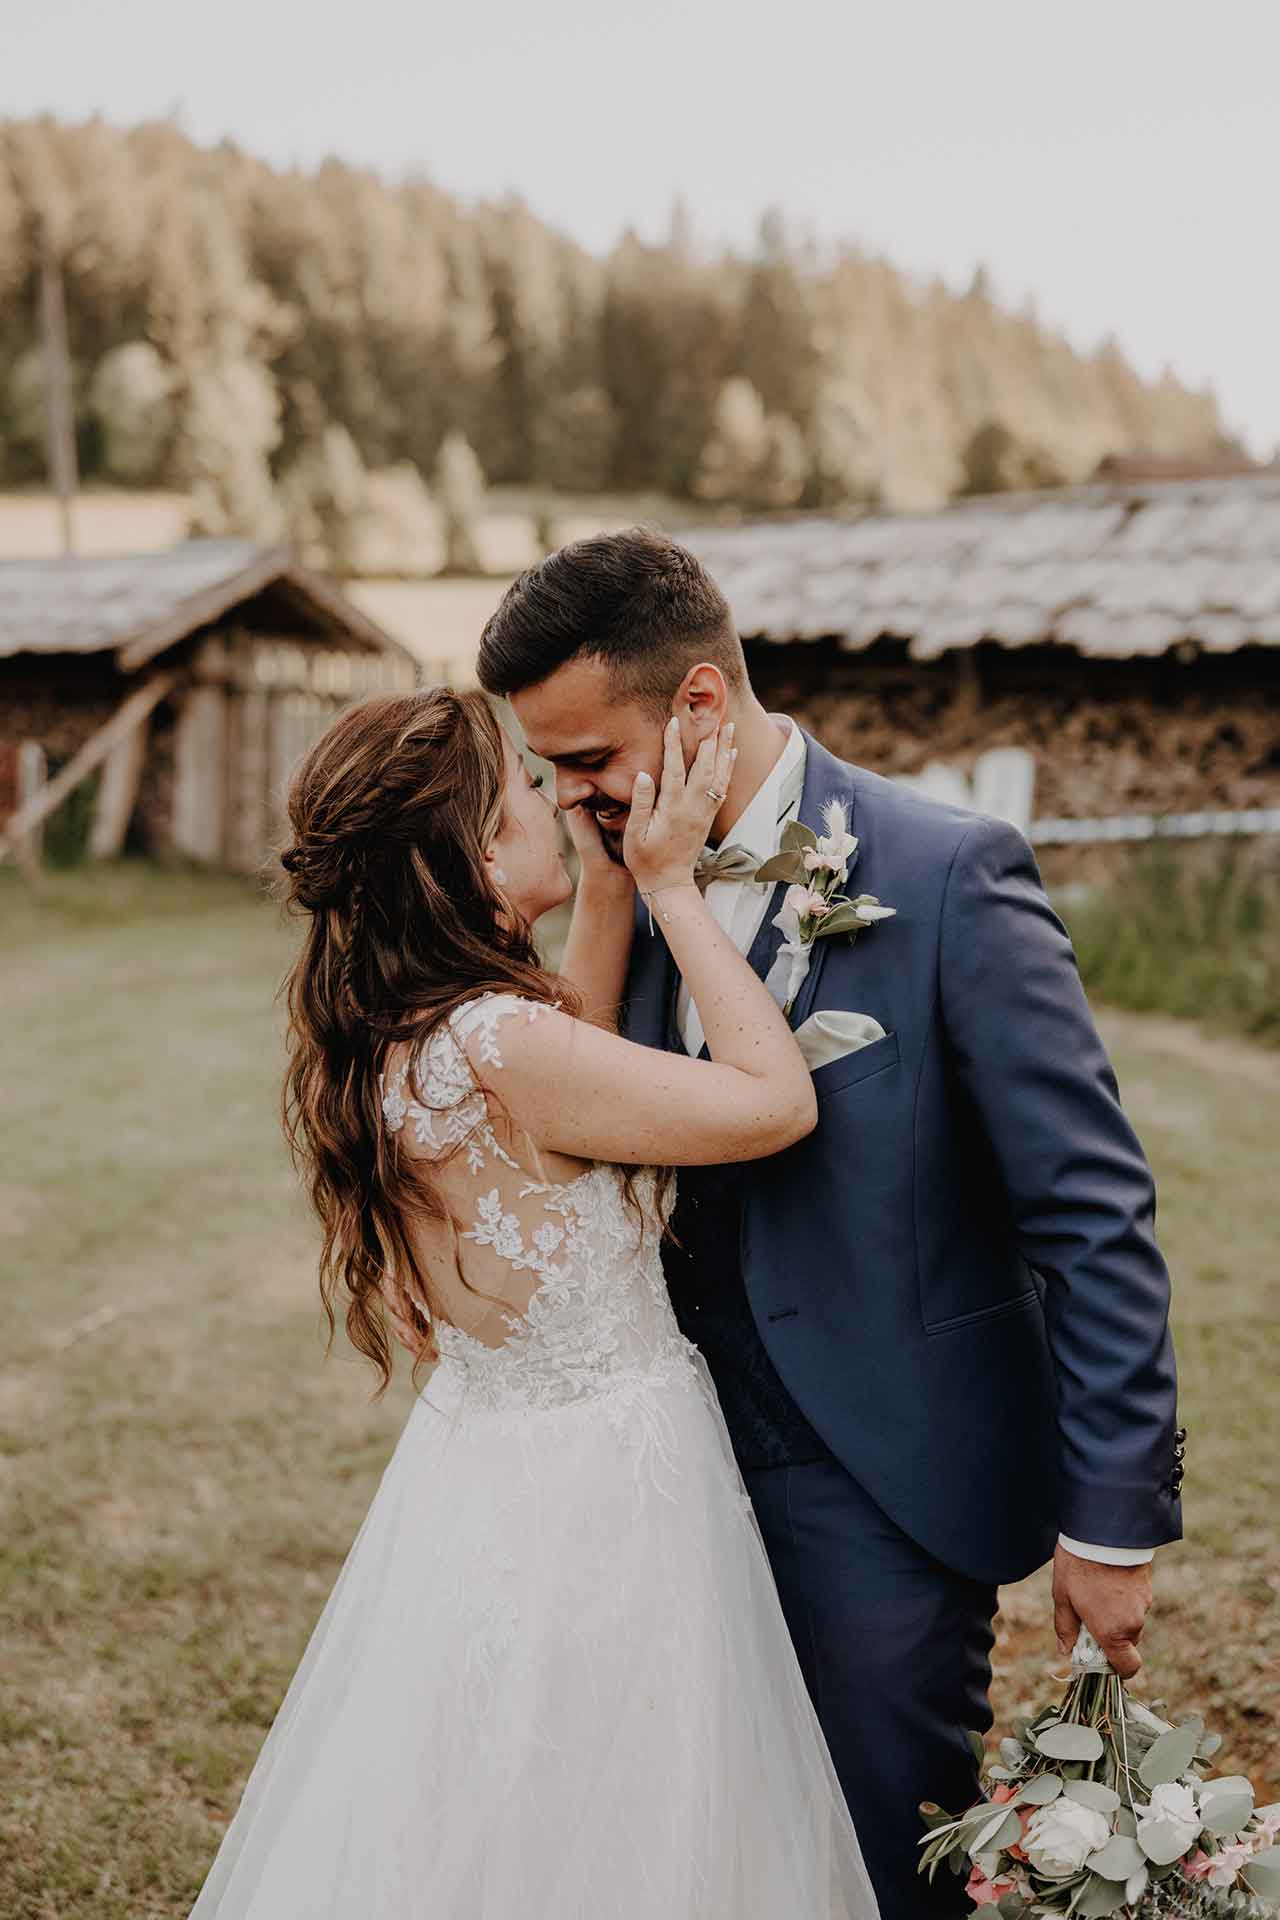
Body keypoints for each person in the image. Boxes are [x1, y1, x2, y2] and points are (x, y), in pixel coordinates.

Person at [476, 527, 1185, 1920]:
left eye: (587, 761)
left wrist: (1114, 1521)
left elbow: (1091, 1212)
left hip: (879, 1473)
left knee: (873, 1854)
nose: (566, 797)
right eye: (544, 768)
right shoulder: (612, 892)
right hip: (651, 1468)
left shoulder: (948, 877)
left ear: (695, 705)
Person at [188, 686, 879, 1920]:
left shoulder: (417, 1033)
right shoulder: (505, 1045)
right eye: (522, 783)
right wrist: (668, 885)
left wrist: (605, 888)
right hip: (612, 1491)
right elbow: (773, 1103)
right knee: (625, 1797)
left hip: (489, 1472)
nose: (557, 796)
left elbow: (580, 1057)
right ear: (468, 849)